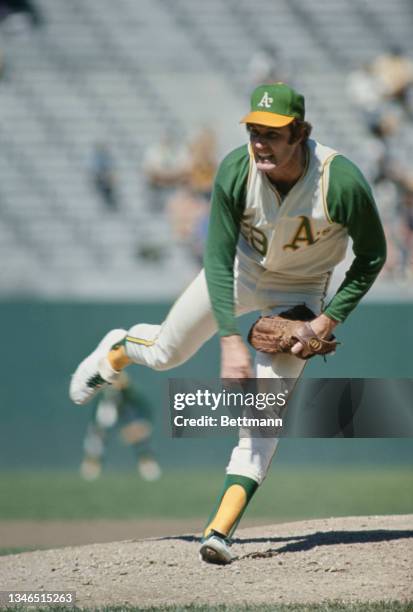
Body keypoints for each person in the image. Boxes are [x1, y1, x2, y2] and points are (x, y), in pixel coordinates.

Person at [70, 83, 386, 564]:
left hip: (299, 292)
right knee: (164, 355)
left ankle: (219, 531)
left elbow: (373, 256)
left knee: (262, 416)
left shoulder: (338, 182)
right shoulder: (237, 170)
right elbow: (216, 261)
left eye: (273, 133)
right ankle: (118, 347)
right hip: (240, 270)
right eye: (254, 130)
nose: (260, 141)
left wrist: (326, 320)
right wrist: (229, 340)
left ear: (300, 133)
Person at [80, 371, 161, 482]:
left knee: (139, 433)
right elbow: (98, 421)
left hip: (129, 418)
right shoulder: (105, 398)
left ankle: (147, 464)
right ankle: (92, 465)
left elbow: (145, 412)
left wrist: (141, 426)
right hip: (109, 415)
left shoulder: (131, 395)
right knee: (97, 436)